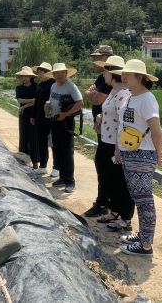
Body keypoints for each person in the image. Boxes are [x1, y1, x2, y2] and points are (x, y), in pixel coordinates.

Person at [111, 59, 162, 257]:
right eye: (123, 74)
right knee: (137, 196)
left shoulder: (147, 99)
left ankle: (145, 245)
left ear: (140, 77)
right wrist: (118, 150)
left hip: (143, 153)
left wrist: (159, 151)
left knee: (144, 200)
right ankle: (142, 235)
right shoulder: (129, 97)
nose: (124, 77)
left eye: (128, 74)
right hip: (128, 153)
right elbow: (122, 126)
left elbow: (156, 129)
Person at [91, 56, 135, 232]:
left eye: (105, 71)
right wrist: (101, 117)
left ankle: (125, 217)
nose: (103, 75)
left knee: (120, 180)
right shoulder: (112, 92)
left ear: (113, 73)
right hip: (105, 140)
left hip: (116, 143)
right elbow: (110, 112)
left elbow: (124, 121)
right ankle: (114, 210)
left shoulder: (124, 94)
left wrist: (119, 147)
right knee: (107, 177)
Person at [84, 44, 114, 217]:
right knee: (102, 164)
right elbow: (89, 94)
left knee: (105, 165)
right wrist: (93, 95)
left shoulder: (113, 79)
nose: (94, 60)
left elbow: (97, 100)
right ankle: (104, 201)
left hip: (110, 130)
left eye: (97, 57)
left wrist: (94, 95)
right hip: (102, 128)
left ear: (106, 58)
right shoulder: (102, 78)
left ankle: (104, 203)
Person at [44, 63, 83, 193]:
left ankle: (70, 180)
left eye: (62, 72)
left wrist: (65, 114)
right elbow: (51, 101)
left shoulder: (71, 87)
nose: (60, 75)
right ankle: (62, 177)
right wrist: (48, 108)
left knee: (67, 152)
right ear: (53, 75)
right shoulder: (53, 86)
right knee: (58, 150)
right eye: (57, 73)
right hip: (55, 121)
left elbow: (80, 103)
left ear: (66, 73)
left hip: (66, 122)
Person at [30, 62, 55, 174]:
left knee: (53, 143)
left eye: (41, 71)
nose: (39, 73)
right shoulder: (39, 85)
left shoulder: (53, 84)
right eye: (39, 71)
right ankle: (43, 165)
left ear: (48, 72)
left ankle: (56, 167)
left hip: (50, 118)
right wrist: (33, 115)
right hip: (40, 117)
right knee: (41, 142)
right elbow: (36, 102)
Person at [15, 66, 37, 156]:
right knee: (23, 136)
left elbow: (38, 101)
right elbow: (20, 100)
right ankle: (23, 158)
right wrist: (32, 100)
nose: (24, 78)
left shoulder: (36, 87)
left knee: (33, 137)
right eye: (22, 76)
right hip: (23, 113)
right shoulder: (19, 88)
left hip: (34, 113)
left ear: (31, 77)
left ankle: (35, 161)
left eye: (26, 76)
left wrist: (27, 104)